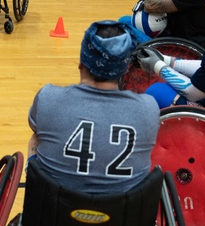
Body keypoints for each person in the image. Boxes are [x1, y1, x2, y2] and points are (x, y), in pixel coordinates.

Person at [28, 20, 160, 194]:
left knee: (37, 136)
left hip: (54, 215)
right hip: (123, 217)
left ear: (81, 63)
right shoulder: (149, 108)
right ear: (125, 69)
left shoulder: (48, 97)